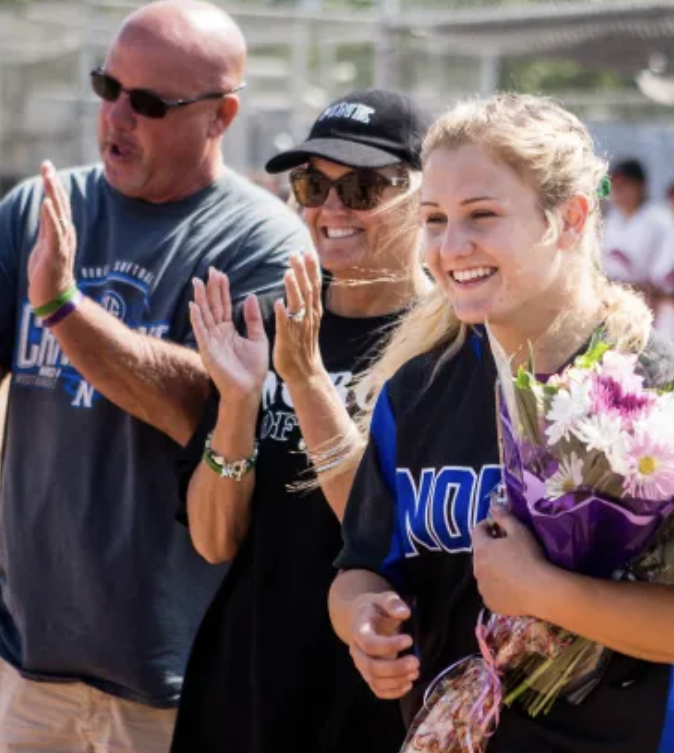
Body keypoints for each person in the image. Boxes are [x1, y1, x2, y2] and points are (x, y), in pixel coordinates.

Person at [0, 1, 310, 750]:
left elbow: (207, 410)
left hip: (172, 681)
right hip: (27, 661)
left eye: (148, 103)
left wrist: (66, 309)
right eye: (109, 88)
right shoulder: (41, 209)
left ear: (221, 115)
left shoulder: (264, 244)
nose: (118, 116)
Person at [328, 93, 674, 753]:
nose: (452, 246)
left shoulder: (656, 388)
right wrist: (361, 620)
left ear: (570, 217)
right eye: (434, 219)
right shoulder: (417, 388)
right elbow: (364, 564)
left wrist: (545, 592)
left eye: (481, 214)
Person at [170, 89, 432, 753]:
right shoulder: (262, 323)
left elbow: (394, 540)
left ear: (424, 195)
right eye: (313, 184)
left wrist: (308, 385)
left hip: (378, 689)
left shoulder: (450, 345)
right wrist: (237, 402)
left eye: (365, 187)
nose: (332, 209)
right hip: (250, 682)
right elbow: (212, 539)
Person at [603, 158, 674, 338]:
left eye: (624, 185)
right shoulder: (612, 220)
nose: (618, 191)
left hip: (654, 304)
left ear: (640, 186)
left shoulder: (659, 220)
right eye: (614, 185)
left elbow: (656, 281)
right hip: (617, 302)